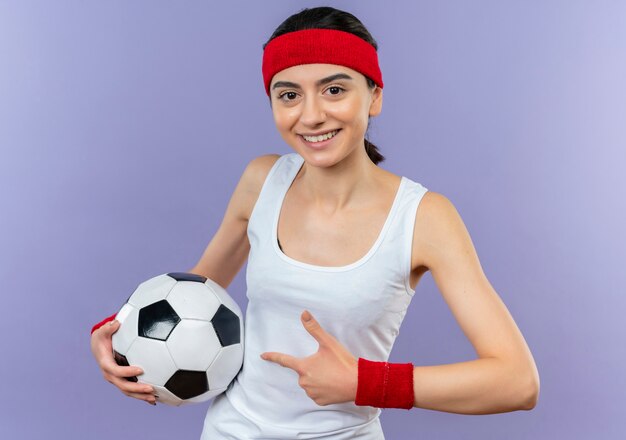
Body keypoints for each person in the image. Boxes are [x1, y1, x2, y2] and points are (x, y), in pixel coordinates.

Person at [90, 6, 540, 439]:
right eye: (289, 95)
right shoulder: (262, 179)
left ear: (375, 97)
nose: (310, 115)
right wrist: (116, 334)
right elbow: (192, 294)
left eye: (334, 89)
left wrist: (367, 383)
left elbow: (517, 381)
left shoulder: (424, 217)